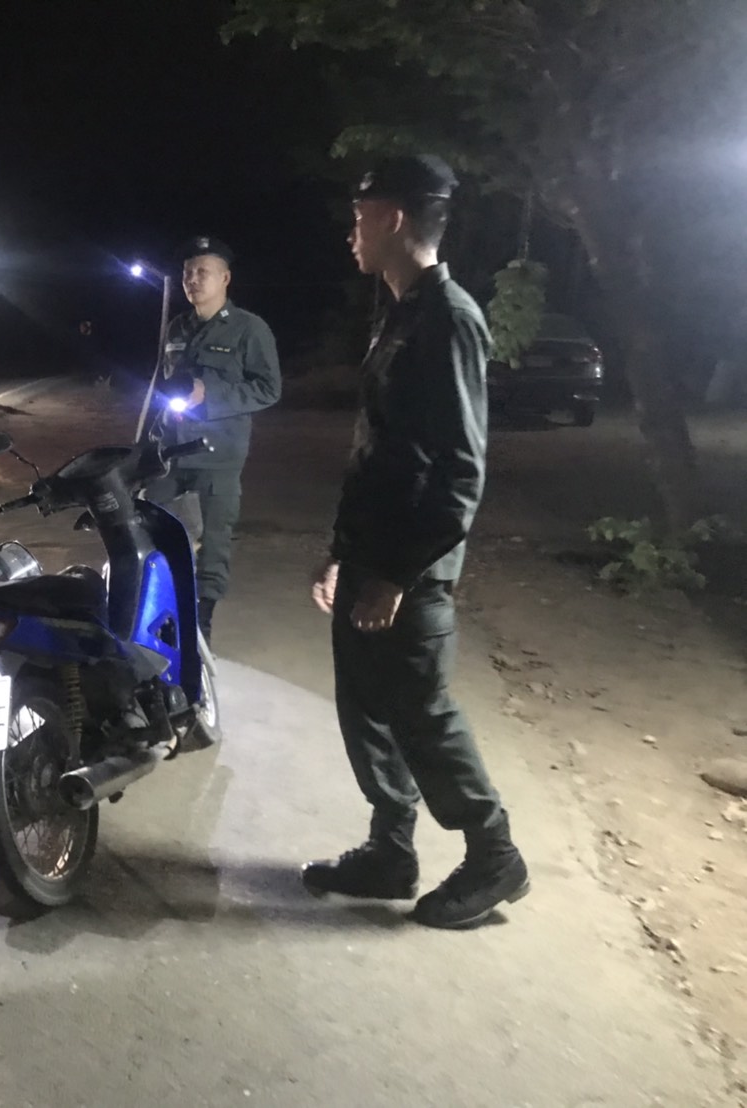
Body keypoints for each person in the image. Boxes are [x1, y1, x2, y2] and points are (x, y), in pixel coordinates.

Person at [304, 155, 529, 930]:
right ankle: (390, 851)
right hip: (371, 556)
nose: (351, 232)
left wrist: (397, 574)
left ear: (393, 218)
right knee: (366, 709)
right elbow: (378, 449)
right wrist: (342, 550)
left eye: (359, 217)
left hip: (411, 570)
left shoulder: (450, 319)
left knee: (422, 713)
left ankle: (494, 856)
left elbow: (460, 470)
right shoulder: (400, 311)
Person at [145, 236, 281, 643]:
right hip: (170, 456)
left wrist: (211, 396)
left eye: (202, 272)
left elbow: (269, 389)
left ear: (225, 278)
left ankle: (198, 634)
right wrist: (149, 442)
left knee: (211, 549)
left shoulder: (249, 329)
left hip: (217, 459)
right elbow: (163, 386)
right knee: (155, 535)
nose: (192, 279)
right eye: (187, 272)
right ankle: (163, 622)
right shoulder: (177, 327)